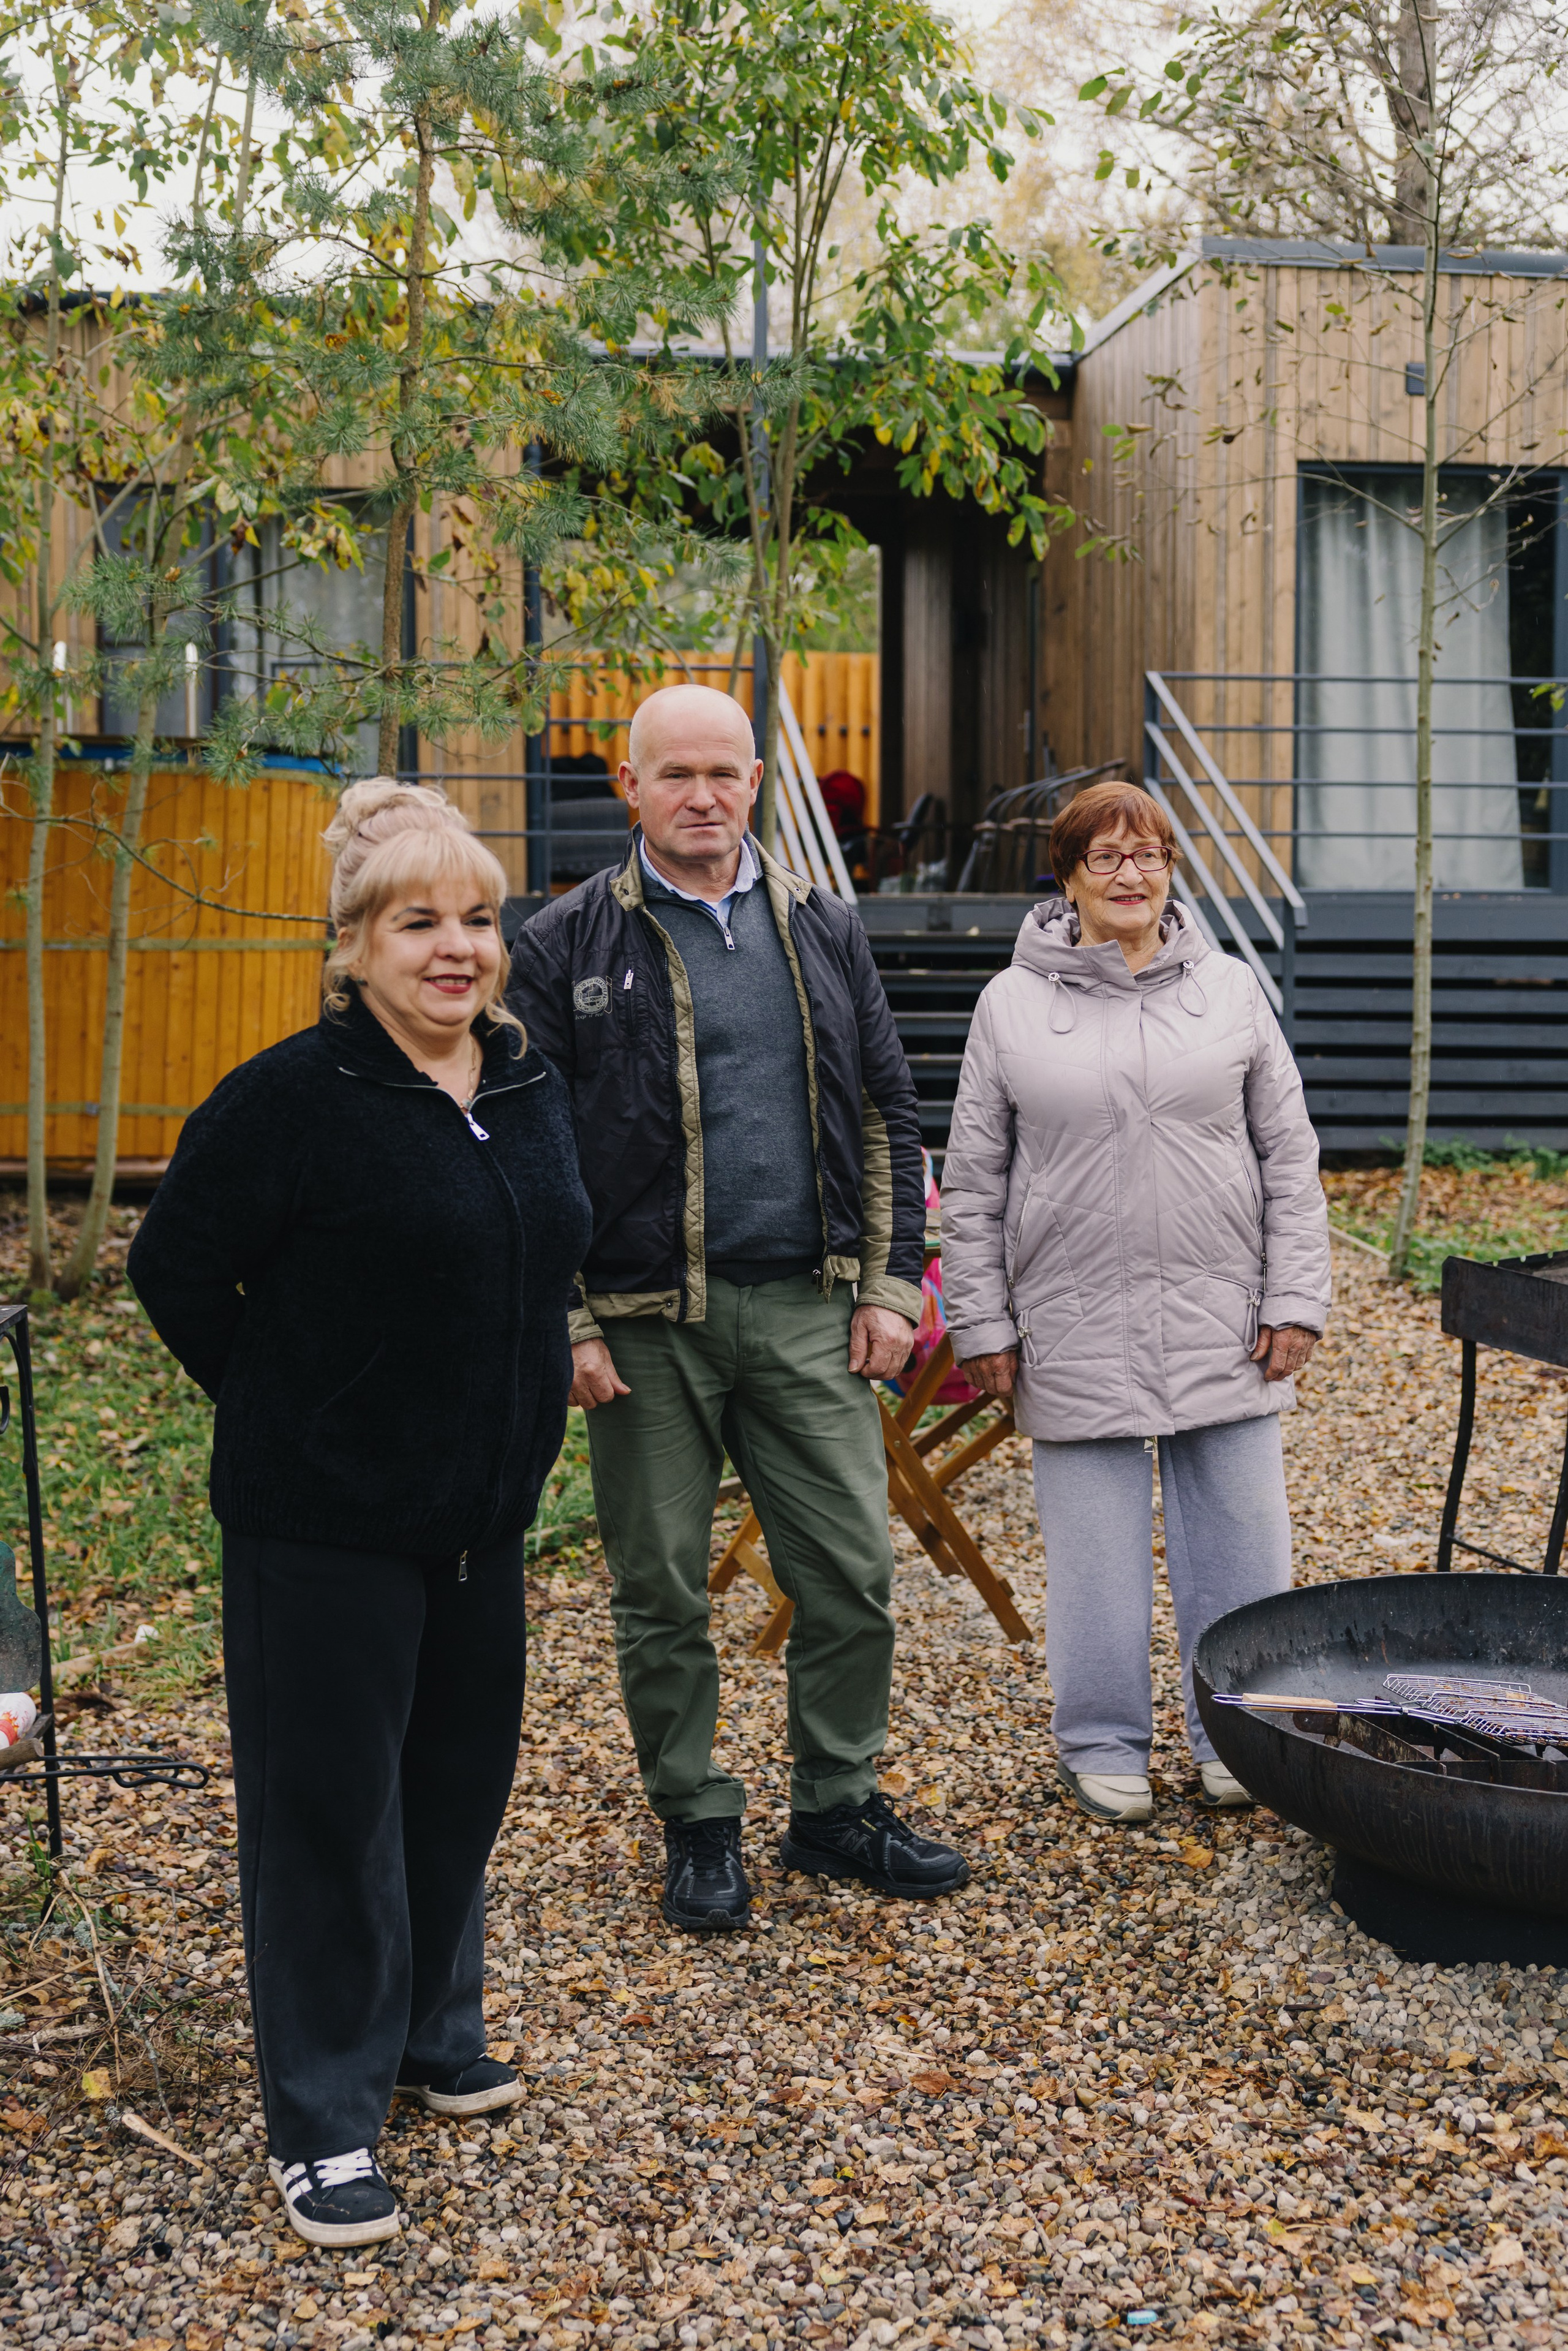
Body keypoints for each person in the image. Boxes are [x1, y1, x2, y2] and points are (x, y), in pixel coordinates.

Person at [127, 781, 591, 2250]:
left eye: (475, 920)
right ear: (354, 945)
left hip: (478, 1512)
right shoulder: (289, 1100)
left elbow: (536, 1261)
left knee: (455, 1782)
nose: (454, 949)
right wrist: (294, 1408)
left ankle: (424, 2034)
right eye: (418, 923)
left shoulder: (522, 1080)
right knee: (328, 1816)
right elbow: (178, 1270)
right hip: (319, 1523)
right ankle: (322, 2117)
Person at [508, 682, 969, 1930]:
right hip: (643, 1323)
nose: (701, 796)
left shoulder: (821, 923)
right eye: (675, 776)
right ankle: (697, 1818)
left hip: (808, 1309)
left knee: (851, 1569)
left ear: (755, 781)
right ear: (628, 783)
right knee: (659, 1585)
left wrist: (886, 1283)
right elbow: (527, 1144)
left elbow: (885, 1109)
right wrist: (566, 1316)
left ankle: (833, 1802)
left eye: (723, 773)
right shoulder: (560, 946)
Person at [940, 779, 1330, 1825]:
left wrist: (1295, 1296)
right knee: (1097, 1565)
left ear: (1173, 869)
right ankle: (1102, 1740)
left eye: (1151, 854)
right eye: (1107, 857)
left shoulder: (1234, 991)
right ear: (1067, 876)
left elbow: (1289, 1159)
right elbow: (973, 1182)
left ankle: (1240, 1735)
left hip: (1227, 1323)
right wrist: (981, 1322)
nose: (1132, 874)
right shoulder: (1009, 1006)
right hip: (1070, 1327)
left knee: (1246, 1550)